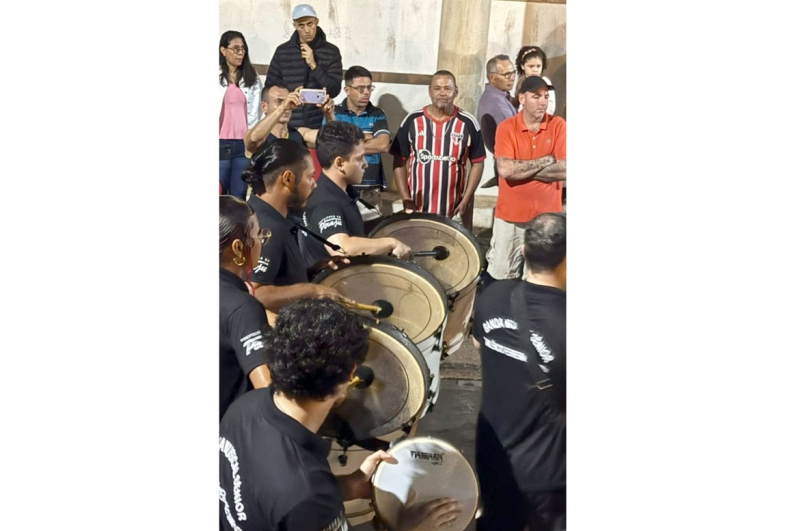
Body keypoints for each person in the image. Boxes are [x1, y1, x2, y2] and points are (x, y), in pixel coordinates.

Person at [219, 298, 462, 530]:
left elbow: (265, 497)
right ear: (350, 375)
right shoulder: (307, 492)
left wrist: (348, 486)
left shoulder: (245, 408)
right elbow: (298, 500)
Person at [472, 212, 566, 531]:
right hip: (548, 473)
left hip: (493, 454)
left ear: (524, 252)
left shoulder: (492, 297)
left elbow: (480, 344)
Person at [241, 138, 352, 311]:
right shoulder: (267, 228)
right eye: (310, 177)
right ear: (288, 178)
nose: (314, 184)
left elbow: (276, 278)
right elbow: (255, 294)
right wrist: (314, 291)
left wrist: (311, 271)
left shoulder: (260, 214)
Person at [298, 121, 411, 273]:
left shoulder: (340, 190)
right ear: (340, 163)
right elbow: (341, 247)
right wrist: (391, 243)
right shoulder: (326, 202)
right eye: (360, 158)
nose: (366, 164)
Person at [486, 76, 566, 280]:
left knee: (540, 281)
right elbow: (505, 170)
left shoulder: (558, 125)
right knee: (503, 277)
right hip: (510, 217)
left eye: (546, 96)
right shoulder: (507, 127)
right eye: (536, 96)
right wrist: (548, 159)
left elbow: (566, 169)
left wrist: (522, 170)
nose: (543, 102)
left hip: (546, 221)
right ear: (522, 98)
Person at [390, 70, 486, 229]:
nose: (442, 93)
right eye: (437, 88)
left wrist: (466, 199)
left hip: (453, 211)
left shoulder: (468, 123)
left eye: (447, 88)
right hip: (417, 209)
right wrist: (406, 199)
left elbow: (478, 163)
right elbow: (399, 160)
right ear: (429, 91)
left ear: (456, 91)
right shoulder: (412, 121)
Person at [219, 195, 273, 420]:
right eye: (259, 235)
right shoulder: (242, 306)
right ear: (239, 247)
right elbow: (267, 390)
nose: (261, 242)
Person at [328, 65, 392, 223]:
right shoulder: (333, 112)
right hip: (341, 187)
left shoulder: (377, 114)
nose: (366, 92)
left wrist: (346, 143)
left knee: (372, 233)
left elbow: (383, 145)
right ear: (347, 90)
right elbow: (330, 146)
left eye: (369, 88)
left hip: (370, 190)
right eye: (361, 88)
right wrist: (364, 137)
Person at [264, 4, 343, 130]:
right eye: (301, 25)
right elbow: (270, 86)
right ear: (295, 26)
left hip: (318, 122)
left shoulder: (331, 52)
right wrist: (287, 98)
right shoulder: (283, 51)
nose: (307, 30)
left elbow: (334, 90)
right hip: (288, 121)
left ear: (317, 22)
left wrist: (314, 65)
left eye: (310, 24)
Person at [219, 30, 263, 199]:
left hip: (243, 145)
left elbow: (258, 111)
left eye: (243, 49)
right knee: (219, 191)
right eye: (236, 48)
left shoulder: (252, 77)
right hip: (220, 143)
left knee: (239, 194)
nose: (240, 53)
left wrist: (254, 139)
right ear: (223, 50)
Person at [243, 84, 336, 160]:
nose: (287, 106)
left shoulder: (300, 134)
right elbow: (253, 139)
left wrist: (329, 114)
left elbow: (333, 141)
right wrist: (282, 107)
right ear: (264, 107)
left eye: (288, 101)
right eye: (279, 101)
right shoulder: (255, 134)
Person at [478, 54, 518, 190]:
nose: (512, 77)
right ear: (492, 77)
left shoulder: (500, 96)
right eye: (507, 74)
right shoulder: (496, 104)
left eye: (513, 72)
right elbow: (516, 137)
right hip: (510, 165)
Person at [514, 45, 556, 116]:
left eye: (538, 66)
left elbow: (551, 105)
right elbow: (520, 104)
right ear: (522, 66)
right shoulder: (521, 82)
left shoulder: (545, 81)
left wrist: (541, 117)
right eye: (531, 66)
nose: (535, 70)